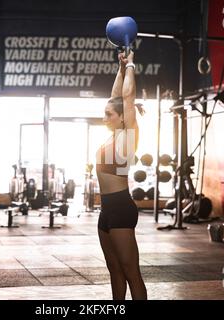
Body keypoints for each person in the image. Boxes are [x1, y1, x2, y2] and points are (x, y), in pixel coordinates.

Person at [96, 50, 147, 300]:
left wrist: (131, 66)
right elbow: (117, 96)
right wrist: (120, 66)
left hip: (120, 208)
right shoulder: (112, 135)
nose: (104, 117)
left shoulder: (127, 137)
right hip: (106, 210)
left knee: (130, 271)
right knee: (114, 269)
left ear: (122, 118)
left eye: (109, 115)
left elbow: (127, 97)